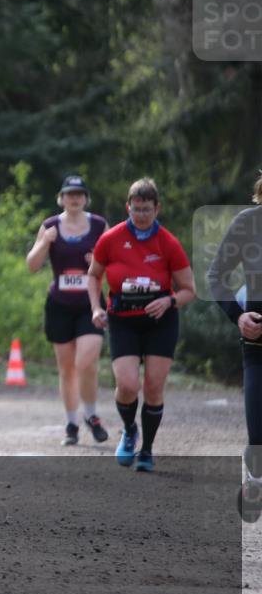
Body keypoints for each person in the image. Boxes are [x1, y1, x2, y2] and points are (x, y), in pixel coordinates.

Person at [87, 178, 196, 472]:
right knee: (127, 384)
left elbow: (189, 289)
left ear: (157, 208)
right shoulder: (111, 239)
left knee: (154, 385)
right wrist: (96, 308)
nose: (142, 215)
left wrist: (170, 301)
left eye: (147, 209)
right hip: (123, 321)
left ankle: (147, 449)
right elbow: (93, 275)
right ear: (128, 207)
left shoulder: (168, 243)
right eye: (136, 210)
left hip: (160, 321)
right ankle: (129, 430)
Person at [26, 175, 110, 446]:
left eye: (79, 194)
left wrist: (98, 261)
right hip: (59, 305)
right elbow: (32, 265)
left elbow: (117, 262)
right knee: (66, 369)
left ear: (86, 198)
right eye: (69, 194)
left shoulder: (99, 225)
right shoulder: (50, 226)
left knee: (86, 362)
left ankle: (92, 415)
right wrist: (44, 243)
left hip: (90, 305)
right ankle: (72, 424)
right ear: (61, 198)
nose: (74, 199)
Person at [206, 170, 262, 522]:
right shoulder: (247, 224)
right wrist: (237, 316)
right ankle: (255, 479)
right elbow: (216, 275)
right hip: (257, 344)